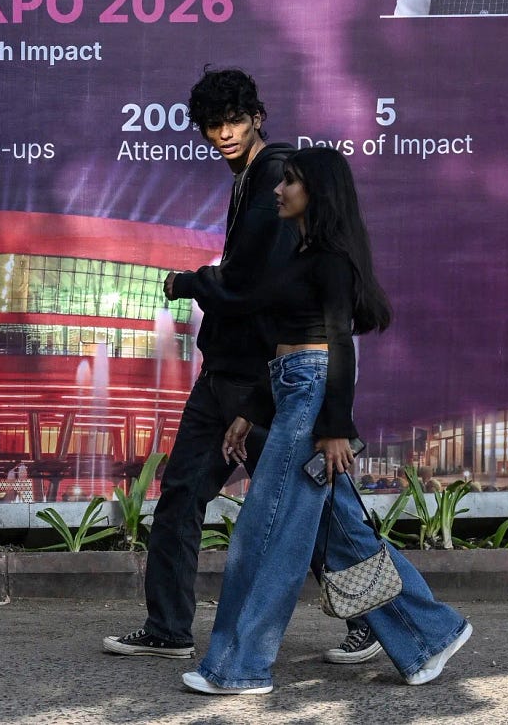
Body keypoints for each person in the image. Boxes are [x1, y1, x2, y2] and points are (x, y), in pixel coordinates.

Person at [103, 68, 370, 665]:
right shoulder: (251, 179)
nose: (223, 133)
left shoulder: (275, 174)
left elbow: (253, 286)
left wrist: (188, 282)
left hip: (259, 378)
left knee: (319, 509)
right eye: (212, 125)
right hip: (224, 374)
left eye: (233, 120)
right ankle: (169, 627)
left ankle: (380, 618)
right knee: (180, 496)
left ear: (257, 117)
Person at [181, 148, 471, 696]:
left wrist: (335, 427)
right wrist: (251, 412)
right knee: (343, 536)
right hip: (291, 388)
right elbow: (287, 345)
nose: (278, 188)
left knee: (264, 533)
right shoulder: (302, 252)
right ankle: (429, 634)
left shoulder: (331, 258)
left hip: (312, 398)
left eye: (290, 181)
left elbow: (336, 344)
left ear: (317, 191)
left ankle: (239, 667)